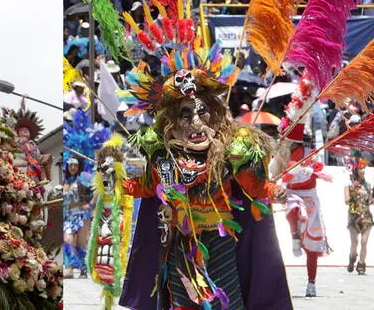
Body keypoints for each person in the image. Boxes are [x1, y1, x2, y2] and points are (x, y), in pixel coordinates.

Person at [119, 58, 291, 309]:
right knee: (183, 301)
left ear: (215, 116)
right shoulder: (165, 162)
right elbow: (143, 187)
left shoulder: (229, 153)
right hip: (179, 242)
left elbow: (253, 186)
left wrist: (275, 191)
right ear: (172, 124)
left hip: (219, 240)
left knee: (226, 300)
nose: (196, 122)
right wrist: (113, 182)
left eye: (202, 112)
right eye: (185, 115)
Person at [270, 123, 331, 297]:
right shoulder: (282, 156)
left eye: (286, 139)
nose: (283, 142)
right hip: (292, 195)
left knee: (312, 247)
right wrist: (282, 176)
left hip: (310, 198)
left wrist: (308, 170)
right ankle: (294, 236)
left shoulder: (310, 154)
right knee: (293, 209)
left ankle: (311, 283)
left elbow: (318, 170)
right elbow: (272, 173)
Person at [345, 158, 373, 274]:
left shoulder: (368, 185)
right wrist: (353, 194)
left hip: (366, 216)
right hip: (353, 216)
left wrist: (371, 199)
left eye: (364, 169)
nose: (363, 171)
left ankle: (361, 263)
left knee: (364, 241)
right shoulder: (349, 186)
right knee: (355, 242)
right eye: (361, 168)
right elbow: (346, 201)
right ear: (355, 170)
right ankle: (352, 258)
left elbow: (370, 200)